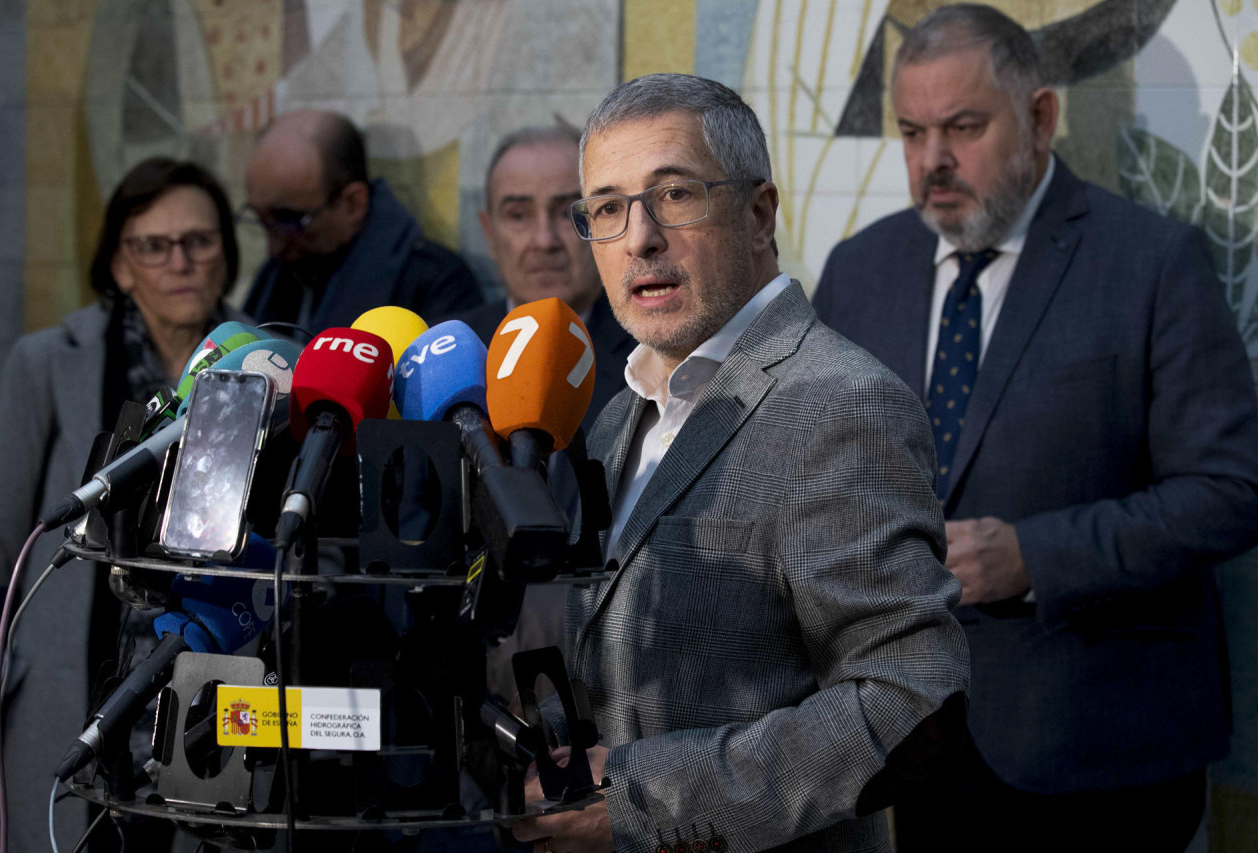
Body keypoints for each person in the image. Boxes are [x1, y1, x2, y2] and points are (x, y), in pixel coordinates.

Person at [812, 6, 1258, 851]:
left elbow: (1232, 492)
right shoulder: (859, 270)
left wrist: (1035, 557)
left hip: (1106, 754)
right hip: (917, 750)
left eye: (964, 127)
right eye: (912, 132)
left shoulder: (1154, 262)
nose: (933, 160)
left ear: (1042, 118)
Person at [513, 73, 969, 853]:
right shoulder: (616, 412)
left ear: (760, 213)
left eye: (676, 195)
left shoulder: (840, 404)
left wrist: (636, 804)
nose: (640, 237)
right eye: (609, 208)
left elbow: (909, 701)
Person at [0, 157, 249, 853]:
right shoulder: (47, 362)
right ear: (121, 265)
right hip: (67, 682)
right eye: (153, 246)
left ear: (227, 251)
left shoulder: (266, 367)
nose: (180, 261)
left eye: (200, 240)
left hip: (212, 685)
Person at [458, 125, 634, 433]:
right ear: (489, 232)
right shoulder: (451, 355)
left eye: (566, 213)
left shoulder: (651, 354)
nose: (544, 240)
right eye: (518, 215)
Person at [241, 109, 483, 330]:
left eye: (292, 220)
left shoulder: (437, 284)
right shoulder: (281, 271)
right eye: (261, 220)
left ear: (353, 204)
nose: (274, 247)